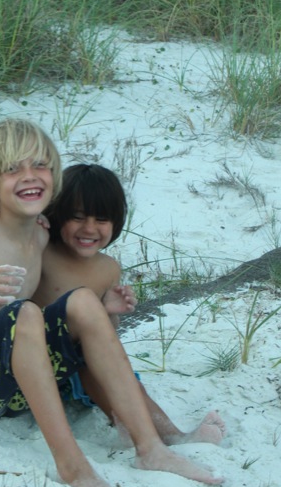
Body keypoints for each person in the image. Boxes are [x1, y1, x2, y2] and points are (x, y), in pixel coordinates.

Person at [0, 119, 223, 487]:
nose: (29, 175)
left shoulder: (39, 234)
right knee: (24, 313)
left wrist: (103, 311)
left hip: (17, 389)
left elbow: (70, 304)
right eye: (13, 168)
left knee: (84, 300)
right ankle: (73, 467)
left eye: (40, 165)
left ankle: (151, 448)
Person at [33, 162, 226, 448]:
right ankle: (141, 431)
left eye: (101, 219)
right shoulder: (40, 250)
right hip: (35, 363)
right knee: (89, 363)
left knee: (120, 376)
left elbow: (104, 338)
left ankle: (170, 433)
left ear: (116, 221)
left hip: (77, 371)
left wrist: (109, 313)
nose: (89, 228)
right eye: (77, 217)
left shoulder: (107, 268)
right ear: (57, 213)